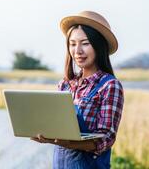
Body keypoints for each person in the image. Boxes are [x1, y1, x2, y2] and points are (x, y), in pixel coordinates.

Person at [30, 11, 124, 169]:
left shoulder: (110, 86)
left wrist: (71, 143)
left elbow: (106, 139)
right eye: (72, 44)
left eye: (85, 43)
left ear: (99, 45)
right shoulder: (64, 85)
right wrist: (46, 133)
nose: (77, 51)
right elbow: (56, 126)